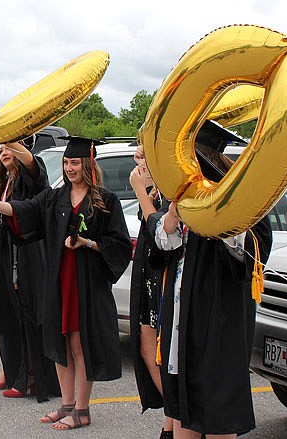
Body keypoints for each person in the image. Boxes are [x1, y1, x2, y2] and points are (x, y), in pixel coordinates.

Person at [0, 136, 133, 430]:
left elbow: (120, 244)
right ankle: (67, 404)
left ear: (87, 164)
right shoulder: (55, 197)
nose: (70, 168)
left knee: (80, 343)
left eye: (75, 162)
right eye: (66, 163)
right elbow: (25, 210)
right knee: (60, 342)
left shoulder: (105, 200)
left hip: (87, 283)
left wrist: (89, 243)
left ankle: (82, 410)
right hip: (58, 280)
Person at [146, 124, 273, 438]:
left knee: (217, 409)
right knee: (182, 408)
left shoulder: (242, 199)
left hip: (218, 319)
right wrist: (172, 219)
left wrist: (226, 219)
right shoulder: (181, 196)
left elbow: (254, 253)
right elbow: (162, 249)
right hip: (180, 317)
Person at [0, 135, 60, 401]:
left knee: (29, 317)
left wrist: (10, 137)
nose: (4, 153)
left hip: (27, 256)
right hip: (4, 255)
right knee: (8, 317)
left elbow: (32, 167)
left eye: (9, 149)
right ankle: (14, 372)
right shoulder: (3, 182)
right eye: (0, 150)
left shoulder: (31, 179)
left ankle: (34, 377)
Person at [128, 142, 173, 439]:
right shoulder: (158, 188)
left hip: (168, 281)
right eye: (138, 153)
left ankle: (174, 420)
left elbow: (162, 234)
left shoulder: (172, 191)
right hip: (148, 276)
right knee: (147, 347)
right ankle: (173, 412)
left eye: (145, 154)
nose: (139, 158)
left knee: (168, 352)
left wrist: (141, 193)